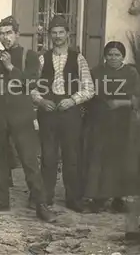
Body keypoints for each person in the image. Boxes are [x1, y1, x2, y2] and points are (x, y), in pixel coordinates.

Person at [0, 15, 55, 222]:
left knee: (29, 159)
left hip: (21, 114)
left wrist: (11, 70)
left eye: (9, 33)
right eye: (1, 34)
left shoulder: (29, 56)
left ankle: (41, 205)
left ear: (17, 34)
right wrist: (6, 84)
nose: (5, 38)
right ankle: (1, 199)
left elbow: (31, 83)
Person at [32, 15, 94, 212]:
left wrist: (73, 100)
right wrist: (41, 101)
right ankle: (45, 198)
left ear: (68, 34)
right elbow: (31, 86)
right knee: (48, 156)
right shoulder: (42, 58)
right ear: (50, 35)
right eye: (54, 33)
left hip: (70, 112)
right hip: (48, 111)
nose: (58, 36)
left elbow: (89, 88)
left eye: (61, 32)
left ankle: (73, 199)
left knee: (71, 157)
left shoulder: (78, 58)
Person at [83, 41, 140, 214]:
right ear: (105, 56)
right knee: (98, 158)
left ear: (123, 56)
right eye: (110, 54)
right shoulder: (96, 72)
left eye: (117, 55)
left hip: (122, 123)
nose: (113, 58)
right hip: (100, 122)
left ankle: (118, 198)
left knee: (118, 159)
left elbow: (137, 98)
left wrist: (120, 102)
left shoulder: (131, 73)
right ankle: (98, 198)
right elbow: (88, 94)